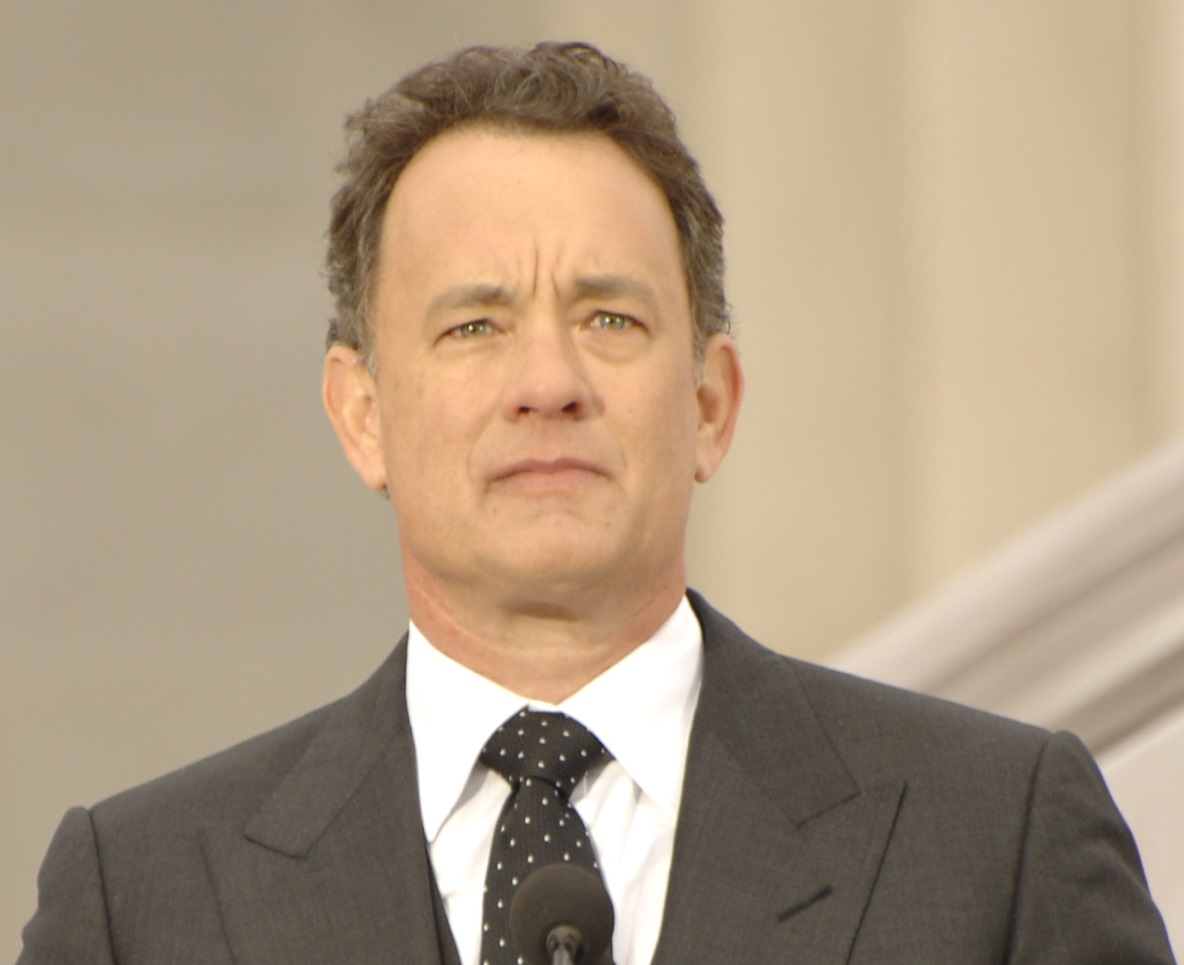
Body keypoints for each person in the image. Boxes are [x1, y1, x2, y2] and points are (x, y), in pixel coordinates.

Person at [18, 41, 1175, 965]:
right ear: (361, 411)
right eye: (474, 325)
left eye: (608, 318)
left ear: (710, 402)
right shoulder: (146, 894)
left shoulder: (994, 833)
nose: (548, 384)